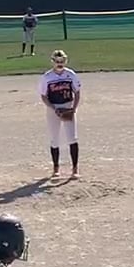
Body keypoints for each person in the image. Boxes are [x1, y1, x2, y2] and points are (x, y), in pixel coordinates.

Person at [39, 49, 83, 179]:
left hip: (67, 106)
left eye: (62, 61)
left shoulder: (71, 74)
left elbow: (77, 92)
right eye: (57, 61)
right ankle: (56, 168)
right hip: (53, 109)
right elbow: (43, 96)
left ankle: (75, 169)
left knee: (72, 137)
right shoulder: (47, 77)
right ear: (52, 61)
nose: (60, 64)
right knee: (54, 138)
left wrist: (73, 108)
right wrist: (53, 108)